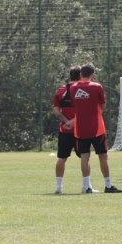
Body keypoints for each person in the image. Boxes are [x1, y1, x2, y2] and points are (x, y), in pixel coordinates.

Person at [71, 63, 122, 193]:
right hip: (97, 127)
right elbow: (102, 106)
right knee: (103, 157)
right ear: (92, 75)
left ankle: (86, 186)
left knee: (84, 156)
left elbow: (74, 105)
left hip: (80, 128)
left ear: (80, 74)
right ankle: (108, 185)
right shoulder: (97, 87)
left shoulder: (73, 88)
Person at [51, 65, 81, 194]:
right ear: (81, 76)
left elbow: (56, 111)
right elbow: (86, 110)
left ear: (70, 76)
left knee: (61, 158)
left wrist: (66, 121)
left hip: (64, 129)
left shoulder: (60, 90)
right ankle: (87, 185)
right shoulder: (82, 90)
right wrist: (74, 122)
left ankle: (58, 187)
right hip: (80, 130)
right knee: (85, 157)